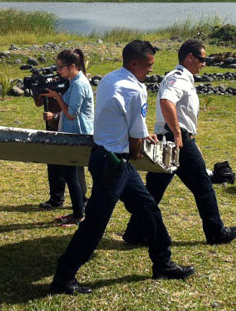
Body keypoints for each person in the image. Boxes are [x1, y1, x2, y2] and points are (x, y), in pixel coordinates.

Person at [50, 40, 194, 295]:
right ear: (135, 63)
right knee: (95, 223)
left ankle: (162, 262)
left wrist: (138, 135)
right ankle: (63, 277)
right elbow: (135, 142)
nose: (152, 69)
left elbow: (124, 122)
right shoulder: (134, 90)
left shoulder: (110, 79)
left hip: (107, 157)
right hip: (114, 163)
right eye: (149, 65)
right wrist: (141, 145)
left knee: (148, 208)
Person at [123, 39, 236, 247]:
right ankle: (216, 232)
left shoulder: (184, 78)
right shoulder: (178, 78)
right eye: (202, 59)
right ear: (190, 57)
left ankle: (135, 232)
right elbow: (166, 102)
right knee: (203, 187)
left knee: (154, 190)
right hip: (176, 140)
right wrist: (178, 134)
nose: (204, 63)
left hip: (174, 138)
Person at [40, 49, 94, 226]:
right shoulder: (73, 81)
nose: (58, 71)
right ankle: (77, 212)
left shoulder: (79, 84)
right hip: (71, 132)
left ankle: (79, 215)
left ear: (72, 66)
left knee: (72, 174)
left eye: (61, 67)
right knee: (70, 174)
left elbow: (71, 114)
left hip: (78, 133)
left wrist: (56, 96)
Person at [34, 95, 87, 210]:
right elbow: (38, 103)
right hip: (52, 125)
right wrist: (37, 91)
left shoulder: (72, 83)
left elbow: (75, 109)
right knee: (53, 162)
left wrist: (56, 115)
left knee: (74, 165)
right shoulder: (51, 82)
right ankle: (56, 199)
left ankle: (81, 200)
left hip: (68, 126)